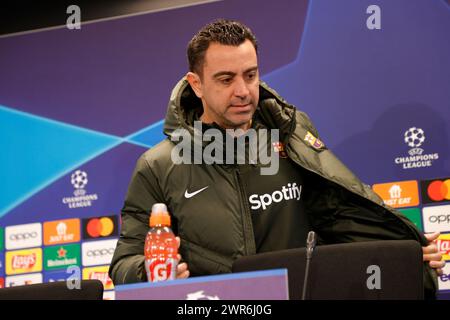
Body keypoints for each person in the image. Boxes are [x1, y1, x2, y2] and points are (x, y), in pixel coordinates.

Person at [109, 19, 444, 298]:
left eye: (250, 75)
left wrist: (403, 248)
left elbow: (339, 214)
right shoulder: (158, 166)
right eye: (226, 79)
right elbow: (124, 265)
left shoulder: (291, 133)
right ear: (196, 84)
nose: (242, 90)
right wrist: (150, 273)